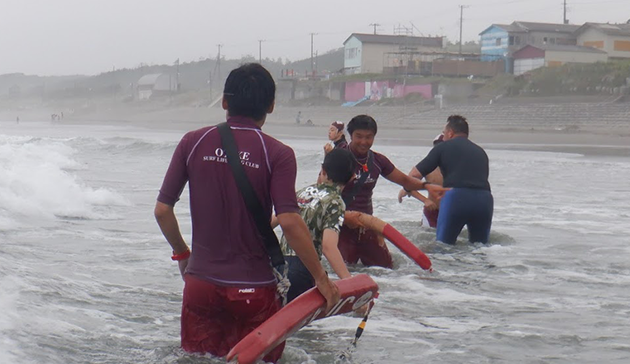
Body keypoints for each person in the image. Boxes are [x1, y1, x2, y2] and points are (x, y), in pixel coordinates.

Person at [154, 63, 339, 363]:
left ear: (225, 102)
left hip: (200, 285)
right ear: (271, 105)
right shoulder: (277, 153)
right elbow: (290, 220)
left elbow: (162, 210)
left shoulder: (192, 142)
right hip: (253, 292)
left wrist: (182, 254)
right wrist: (321, 278)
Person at [338, 114, 449, 268]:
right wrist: (343, 216)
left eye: (369, 137)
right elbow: (323, 192)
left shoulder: (377, 161)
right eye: (359, 136)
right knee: (344, 269)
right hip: (340, 225)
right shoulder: (338, 158)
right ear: (351, 135)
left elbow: (404, 180)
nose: (364, 142)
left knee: (387, 268)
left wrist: (426, 186)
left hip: (367, 225)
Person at [273, 148, 355, 303]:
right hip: (305, 268)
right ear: (352, 178)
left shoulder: (302, 193)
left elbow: (271, 222)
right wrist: (349, 283)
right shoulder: (335, 202)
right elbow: (328, 247)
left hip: (279, 266)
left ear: (323, 170)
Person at [407, 115, 493, 245]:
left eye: (444, 133)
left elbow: (413, 176)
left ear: (450, 133)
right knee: (480, 247)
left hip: (456, 198)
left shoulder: (442, 148)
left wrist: (422, 187)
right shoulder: (481, 152)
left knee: (443, 246)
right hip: (484, 200)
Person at [397, 133, 445, 228]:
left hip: (453, 212)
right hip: (432, 212)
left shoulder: (458, 167)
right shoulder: (428, 167)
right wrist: (425, 200)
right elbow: (409, 184)